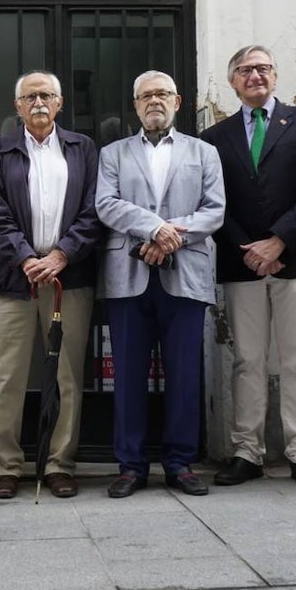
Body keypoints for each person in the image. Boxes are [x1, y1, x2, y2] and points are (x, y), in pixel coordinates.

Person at [201, 45, 296, 490]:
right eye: (244, 70)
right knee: (247, 360)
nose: (254, 75)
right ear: (232, 81)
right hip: (244, 265)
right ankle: (247, 451)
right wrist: (250, 249)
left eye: (262, 68)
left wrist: (280, 240)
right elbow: (214, 202)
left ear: (275, 75)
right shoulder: (214, 138)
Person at [96, 71, 224, 498]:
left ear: (178, 100)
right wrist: (155, 230)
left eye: (162, 94)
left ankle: (180, 462)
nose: (155, 101)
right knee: (128, 376)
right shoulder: (113, 153)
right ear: (135, 105)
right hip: (128, 277)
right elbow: (107, 204)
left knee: (185, 373)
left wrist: (170, 236)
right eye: (146, 95)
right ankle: (130, 464)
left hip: (185, 274)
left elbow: (214, 211)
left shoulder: (204, 153)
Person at [0, 70, 102, 500]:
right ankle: (6, 465)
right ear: (17, 106)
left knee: (67, 375)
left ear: (60, 103)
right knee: (4, 375)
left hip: (68, 278)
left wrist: (61, 254)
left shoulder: (83, 148)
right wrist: (27, 257)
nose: (38, 103)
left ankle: (59, 464)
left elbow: (94, 210)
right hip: (13, 280)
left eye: (46, 95)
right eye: (29, 97)